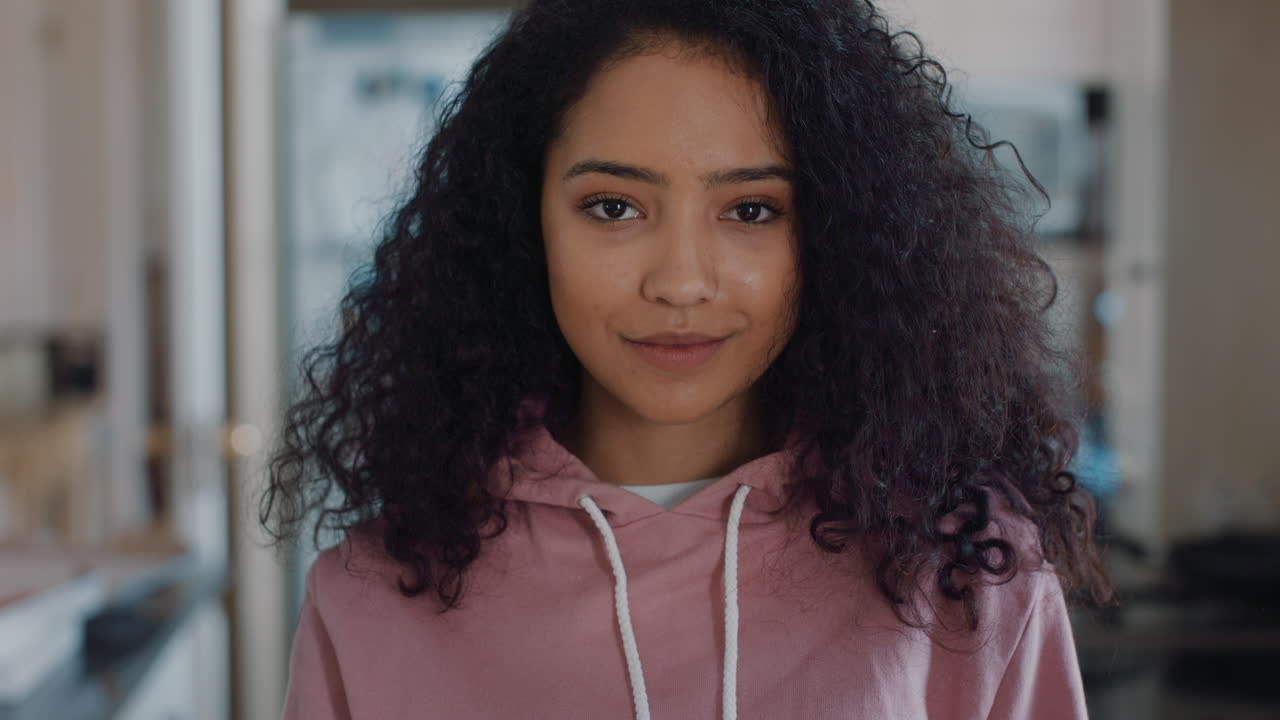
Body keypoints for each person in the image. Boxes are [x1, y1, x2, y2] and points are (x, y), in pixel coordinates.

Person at [263, 0, 1114, 717]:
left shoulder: (967, 571)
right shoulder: (370, 600)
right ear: (524, 226)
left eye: (750, 210)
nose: (681, 282)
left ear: (837, 235)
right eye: (612, 206)